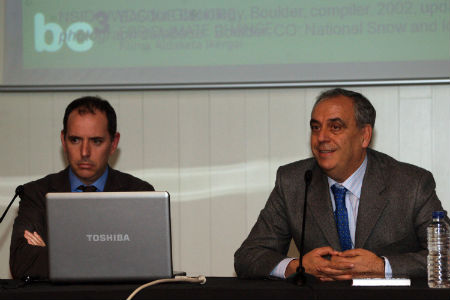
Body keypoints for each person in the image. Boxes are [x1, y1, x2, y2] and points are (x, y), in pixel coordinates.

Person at [234, 88, 446, 281]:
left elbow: (446, 256)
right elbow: (247, 256)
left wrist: (383, 267)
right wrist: (296, 266)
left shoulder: (411, 184)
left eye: (335, 127)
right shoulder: (294, 181)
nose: (321, 137)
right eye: (315, 128)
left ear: (364, 136)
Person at [10, 96, 154, 279]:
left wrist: (55, 253)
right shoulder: (36, 194)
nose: (85, 152)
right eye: (75, 140)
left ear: (114, 143)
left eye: (96, 141)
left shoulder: (139, 193)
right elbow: (22, 264)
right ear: (63, 140)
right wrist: (109, 256)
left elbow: (147, 263)